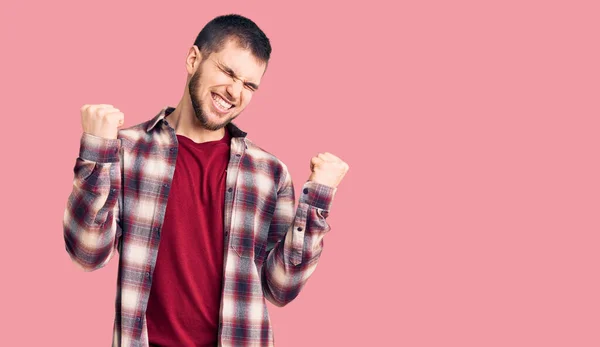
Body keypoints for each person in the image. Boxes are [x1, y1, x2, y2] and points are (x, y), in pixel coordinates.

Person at [62, 14, 349, 347]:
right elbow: (87, 252)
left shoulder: (269, 173)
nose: (234, 92)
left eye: (249, 85)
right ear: (193, 59)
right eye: (228, 72)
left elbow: (280, 289)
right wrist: (97, 151)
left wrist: (318, 200)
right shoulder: (127, 151)